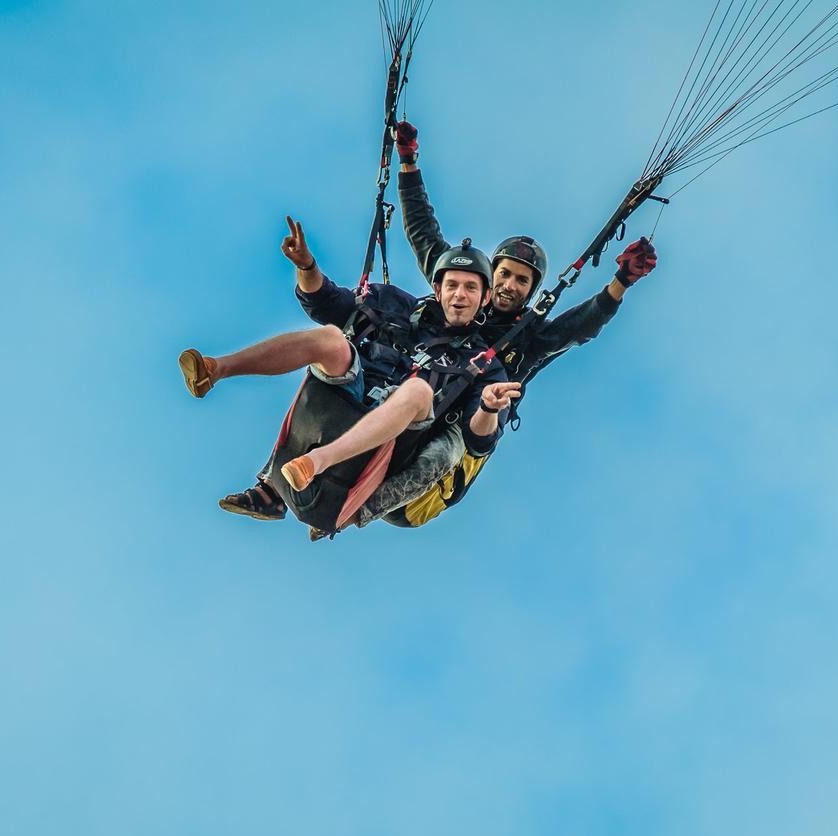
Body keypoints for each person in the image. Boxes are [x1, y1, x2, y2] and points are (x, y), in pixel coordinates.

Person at [357, 120, 658, 527]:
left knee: (440, 454)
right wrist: (408, 160)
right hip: (408, 408)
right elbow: (423, 232)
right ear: (490, 273)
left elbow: (577, 327)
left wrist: (622, 282)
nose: (509, 285)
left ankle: (355, 512)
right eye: (504, 274)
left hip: (445, 451)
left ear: (531, 290)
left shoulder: (528, 336)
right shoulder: (460, 291)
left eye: (522, 280)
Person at [182, 217, 520, 535]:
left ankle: (316, 462)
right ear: (437, 287)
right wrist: (306, 266)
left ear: (485, 297)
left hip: (395, 442)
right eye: (453, 286)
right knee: (331, 338)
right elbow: (326, 303)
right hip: (348, 393)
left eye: (470, 289)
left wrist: (489, 408)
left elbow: (479, 440)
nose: (459, 295)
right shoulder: (393, 302)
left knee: (418, 390)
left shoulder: (485, 365)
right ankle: (215, 370)